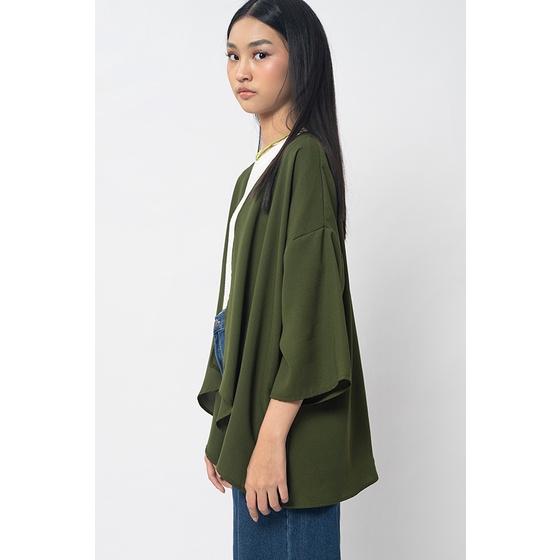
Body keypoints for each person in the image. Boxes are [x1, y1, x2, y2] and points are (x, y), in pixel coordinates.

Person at [197, 1, 379, 558]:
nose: (242, 71)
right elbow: (233, 306)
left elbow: (310, 312)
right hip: (251, 398)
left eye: (260, 54)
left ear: (301, 59)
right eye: (233, 56)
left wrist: (272, 436)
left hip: (284, 413)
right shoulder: (253, 175)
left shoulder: (304, 160)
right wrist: (225, 425)